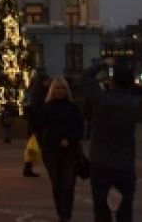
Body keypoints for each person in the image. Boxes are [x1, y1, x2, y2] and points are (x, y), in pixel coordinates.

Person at [88, 62, 138, 222]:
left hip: (101, 162)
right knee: (125, 210)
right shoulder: (133, 104)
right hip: (125, 163)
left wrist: (102, 65)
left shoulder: (103, 100)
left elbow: (87, 78)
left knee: (101, 209)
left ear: (112, 81)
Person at [34, 76, 85, 222]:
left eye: (63, 88)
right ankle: (60, 212)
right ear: (52, 90)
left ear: (67, 90)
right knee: (56, 183)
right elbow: (38, 125)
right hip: (51, 151)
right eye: (57, 88)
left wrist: (69, 139)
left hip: (69, 150)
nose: (60, 91)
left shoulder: (73, 108)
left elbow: (79, 128)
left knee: (68, 184)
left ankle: (66, 215)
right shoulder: (46, 107)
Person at [23, 72, 50, 177]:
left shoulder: (31, 92)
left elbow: (26, 106)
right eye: (47, 81)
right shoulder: (39, 93)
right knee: (42, 148)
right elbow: (34, 110)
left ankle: (27, 168)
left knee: (33, 147)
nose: (49, 83)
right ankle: (28, 168)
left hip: (34, 125)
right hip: (38, 125)